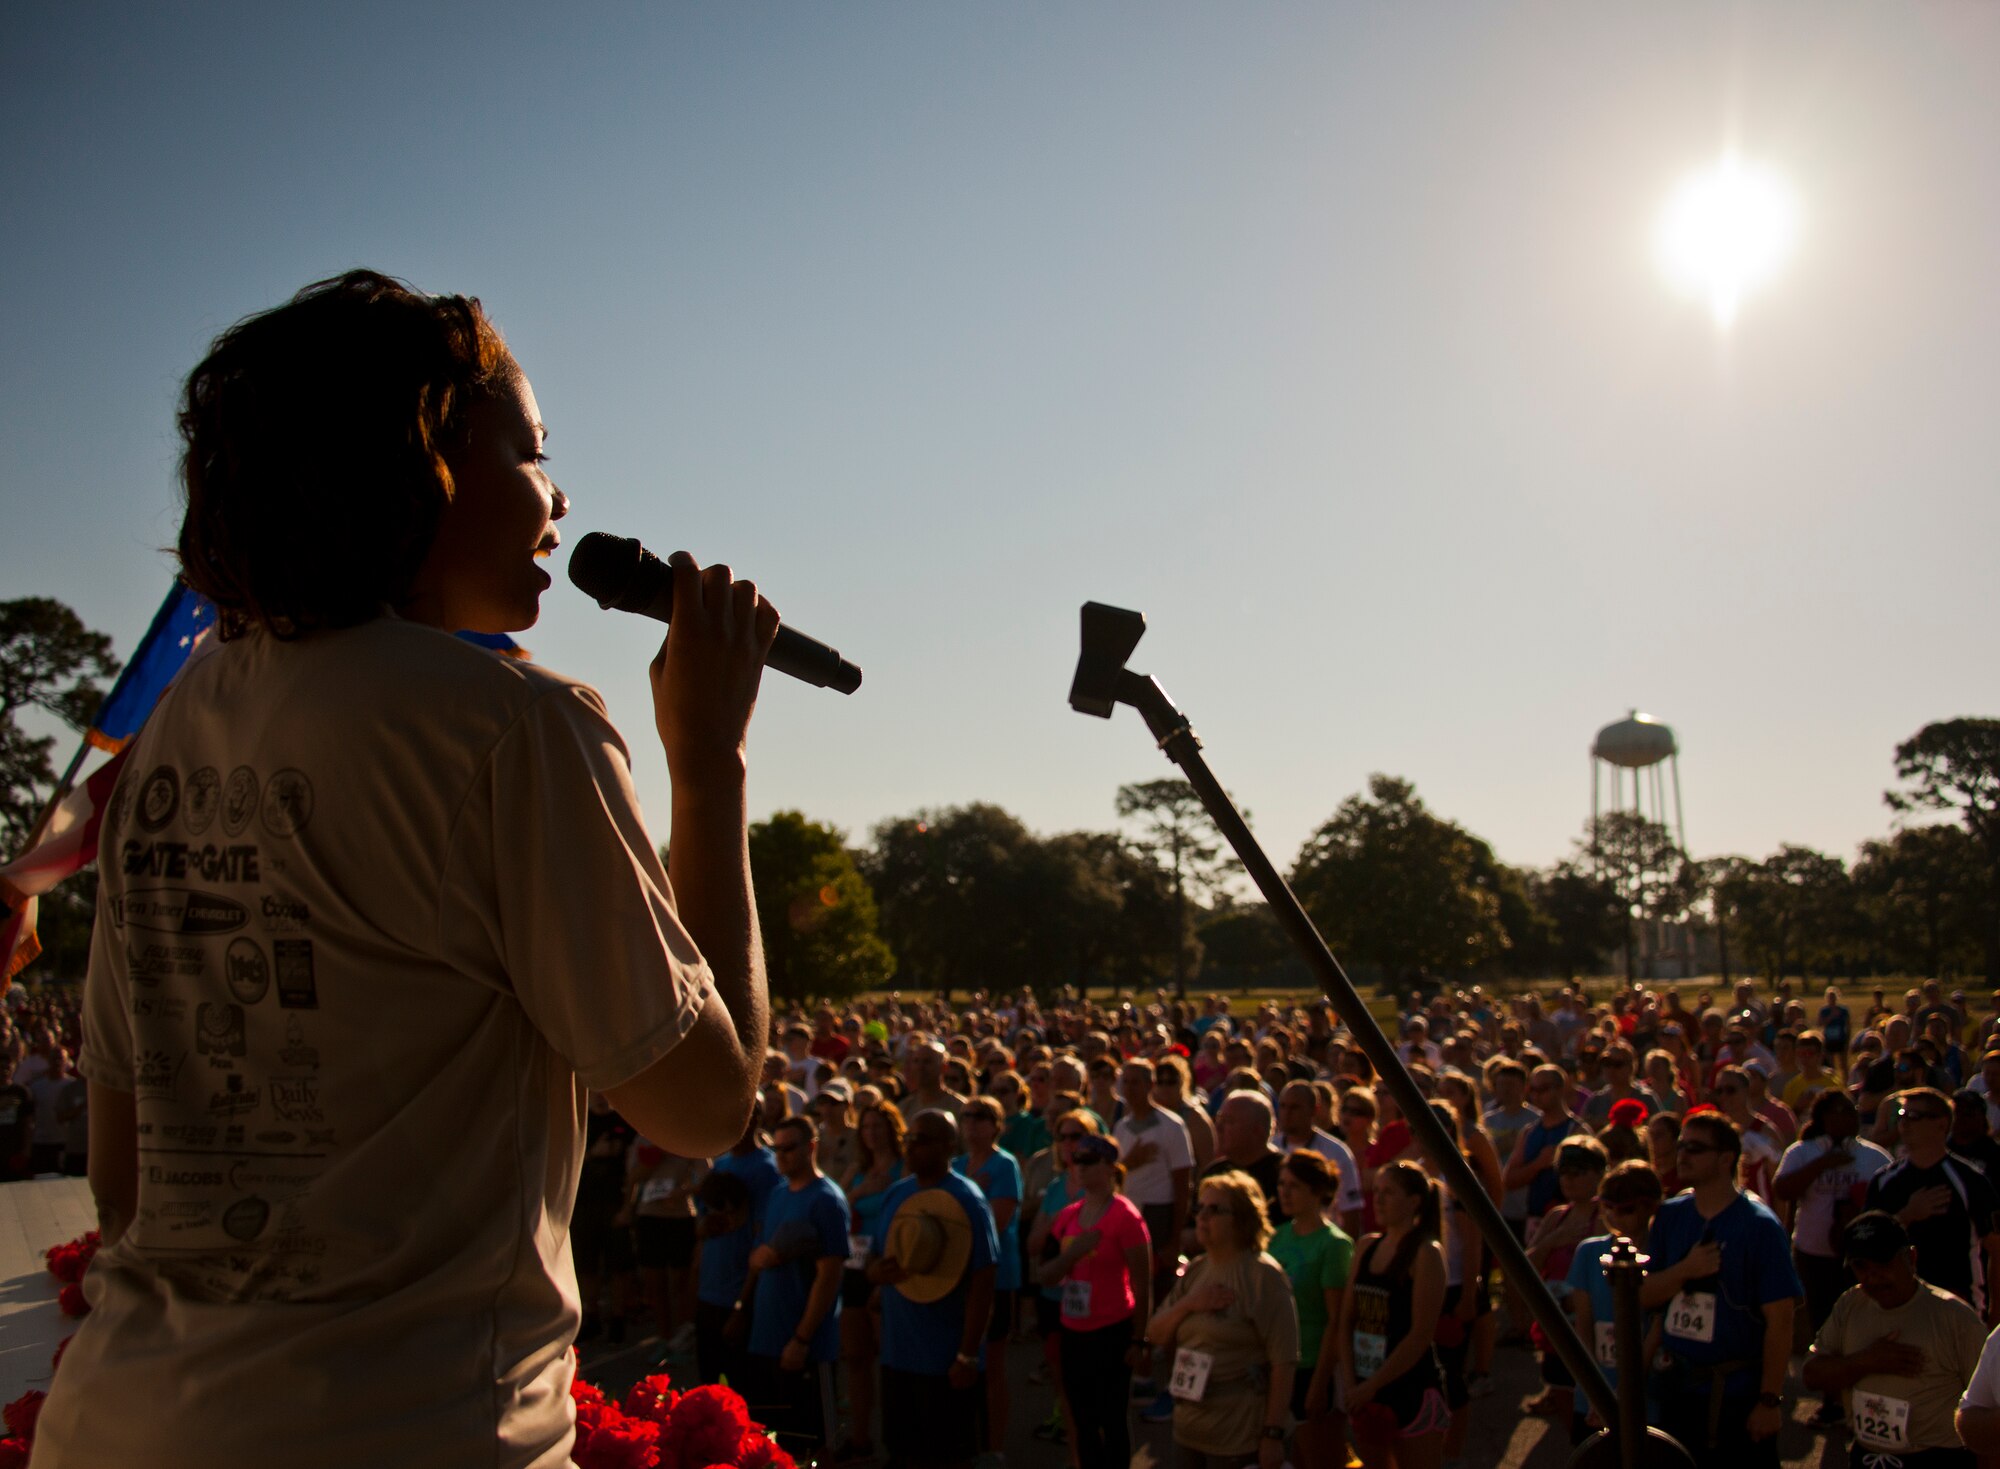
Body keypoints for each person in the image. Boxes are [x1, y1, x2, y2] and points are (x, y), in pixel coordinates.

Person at [44, 272, 779, 1468]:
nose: (560, 497)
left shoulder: (168, 740)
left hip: (124, 1420)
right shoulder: (510, 724)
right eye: (532, 453)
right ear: (423, 459)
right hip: (414, 1426)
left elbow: (123, 1180)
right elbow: (702, 1103)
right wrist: (708, 764)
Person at [1641, 1111, 1802, 1464]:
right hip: (1676, 1388)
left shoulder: (1759, 1226)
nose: (1682, 1155)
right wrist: (1686, 1270)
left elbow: (1781, 1320)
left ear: (1726, 1158)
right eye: (1681, 1145)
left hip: (1737, 1394)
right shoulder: (1670, 1216)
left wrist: (1769, 1401)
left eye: (1695, 1148)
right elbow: (1645, 1295)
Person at [868, 1110, 999, 1469]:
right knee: (903, 1453)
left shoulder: (968, 1199)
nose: (911, 1147)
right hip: (898, 1355)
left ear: (947, 1146)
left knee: (946, 1457)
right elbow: (877, 1260)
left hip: (945, 1358)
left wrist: (967, 1355)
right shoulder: (897, 1193)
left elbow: (983, 1282)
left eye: (921, 1140)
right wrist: (876, 1273)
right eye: (908, 1139)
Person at [1804, 1211, 1986, 1469]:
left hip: (1937, 1459)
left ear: (1911, 1258)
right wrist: (1866, 1362)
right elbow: (1812, 1375)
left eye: (1883, 1263)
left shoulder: (1955, 1318)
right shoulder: (1850, 1305)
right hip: (1866, 1456)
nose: (1872, 1276)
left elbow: (1989, 1410)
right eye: (1861, 1266)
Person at [1148, 1171, 1299, 1469]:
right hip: (1188, 1432)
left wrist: (1272, 1434)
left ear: (1243, 1218)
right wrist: (1190, 1304)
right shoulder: (1196, 1271)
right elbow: (1154, 1334)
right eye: (1199, 1208)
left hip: (1239, 1435)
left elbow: (1284, 1361)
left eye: (1214, 1210)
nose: (1202, 1216)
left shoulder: (1263, 1277)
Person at [1776, 1087, 1895, 1422]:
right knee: (1825, 1327)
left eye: (1851, 1110)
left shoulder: (1874, 1156)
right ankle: (1831, 1400)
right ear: (1823, 1117)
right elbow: (1783, 1190)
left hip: (1864, 1256)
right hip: (1815, 1254)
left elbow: (1890, 1200)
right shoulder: (1802, 1152)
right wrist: (1823, 1163)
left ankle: (1863, 1401)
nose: (1848, 1116)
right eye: (1839, 1111)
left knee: (1866, 1325)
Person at [1042, 1133, 1153, 1469]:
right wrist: (1072, 1254)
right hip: (1074, 1331)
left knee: (1113, 1419)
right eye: (1076, 1161)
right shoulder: (1067, 1216)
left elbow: (1142, 1282)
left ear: (1108, 1166)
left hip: (1113, 1331)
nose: (1079, 1167)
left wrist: (1139, 1338)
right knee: (1082, 1419)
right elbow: (1045, 1274)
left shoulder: (1125, 1216)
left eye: (1088, 1161)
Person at [743, 1115, 850, 1450]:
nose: (782, 1155)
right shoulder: (777, 1194)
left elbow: (830, 1275)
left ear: (811, 1148)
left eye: (790, 1148)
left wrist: (802, 1339)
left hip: (804, 1345)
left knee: (812, 1443)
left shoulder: (826, 1200)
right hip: (767, 1337)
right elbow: (761, 1251)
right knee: (772, 1442)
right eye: (777, 1148)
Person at [1336, 1160, 1448, 1469]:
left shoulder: (1426, 1253)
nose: (1379, 1200)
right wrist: (1351, 1382)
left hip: (1409, 1387)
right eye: (1377, 1191)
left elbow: (1421, 1334)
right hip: (1363, 1387)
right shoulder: (1366, 1247)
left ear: (1414, 1202)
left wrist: (1373, 1385)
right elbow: (1347, 1320)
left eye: (1389, 1192)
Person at [1864, 1088, 2000, 1323]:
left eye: (1914, 1116)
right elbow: (1865, 1244)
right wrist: (1907, 1216)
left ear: (1941, 1124)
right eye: (1901, 1114)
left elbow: (1996, 1249)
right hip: (1896, 1312)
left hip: (1959, 1313)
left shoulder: (1969, 1181)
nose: (1904, 1123)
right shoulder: (1884, 1181)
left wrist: (1996, 1312)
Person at [1563, 1161, 1665, 1445]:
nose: (1615, 1217)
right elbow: (1584, 1325)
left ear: (1650, 1207)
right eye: (1608, 1207)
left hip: (1647, 1395)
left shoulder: (1662, 1254)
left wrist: (1624, 1389)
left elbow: (1658, 1326)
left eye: (1626, 1209)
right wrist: (1597, 1391)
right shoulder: (1589, 1252)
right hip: (1594, 1390)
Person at [832, 1101, 906, 1464]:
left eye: (879, 1126)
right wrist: (859, 1193)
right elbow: (837, 1209)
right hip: (855, 1265)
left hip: (889, 1265)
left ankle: (898, 1438)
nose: (873, 1133)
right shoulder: (857, 1170)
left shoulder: (904, 1171)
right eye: (867, 1127)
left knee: (890, 1357)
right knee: (856, 1356)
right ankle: (860, 1436)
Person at [1270, 1150, 1353, 1469]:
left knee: (1322, 1458)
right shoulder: (1275, 1237)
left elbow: (1337, 1320)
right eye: (1281, 1184)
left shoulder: (1334, 1244)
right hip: (1279, 1365)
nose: (1284, 1192)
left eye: (1294, 1186)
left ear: (1317, 1191)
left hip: (1313, 1366)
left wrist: (1320, 1384)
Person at [953, 1095, 1023, 1457]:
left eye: (981, 1117)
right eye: (966, 1116)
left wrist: (969, 1202)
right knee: (962, 1360)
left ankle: (993, 1449)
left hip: (997, 1277)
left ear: (997, 1125)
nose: (972, 1123)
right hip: (957, 1279)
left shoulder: (1004, 1166)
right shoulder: (957, 1165)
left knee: (991, 1365)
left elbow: (998, 1222)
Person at [699, 1123, 785, 1387]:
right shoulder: (721, 1164)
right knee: (708, 1383)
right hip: (710, 1292)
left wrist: (742, 1306)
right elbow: (704, 1227)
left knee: (741, 1387)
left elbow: (762, 1246)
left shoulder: (768, 1170)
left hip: (738, 1295)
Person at [1276, 1080, 1363, 1236]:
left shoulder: (1337, 1153)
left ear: (1314, 1110)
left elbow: (1351, 1213)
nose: (1287, 1113)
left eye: (1295, 1107)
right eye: (1283, 1106)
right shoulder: (1272, 1148)